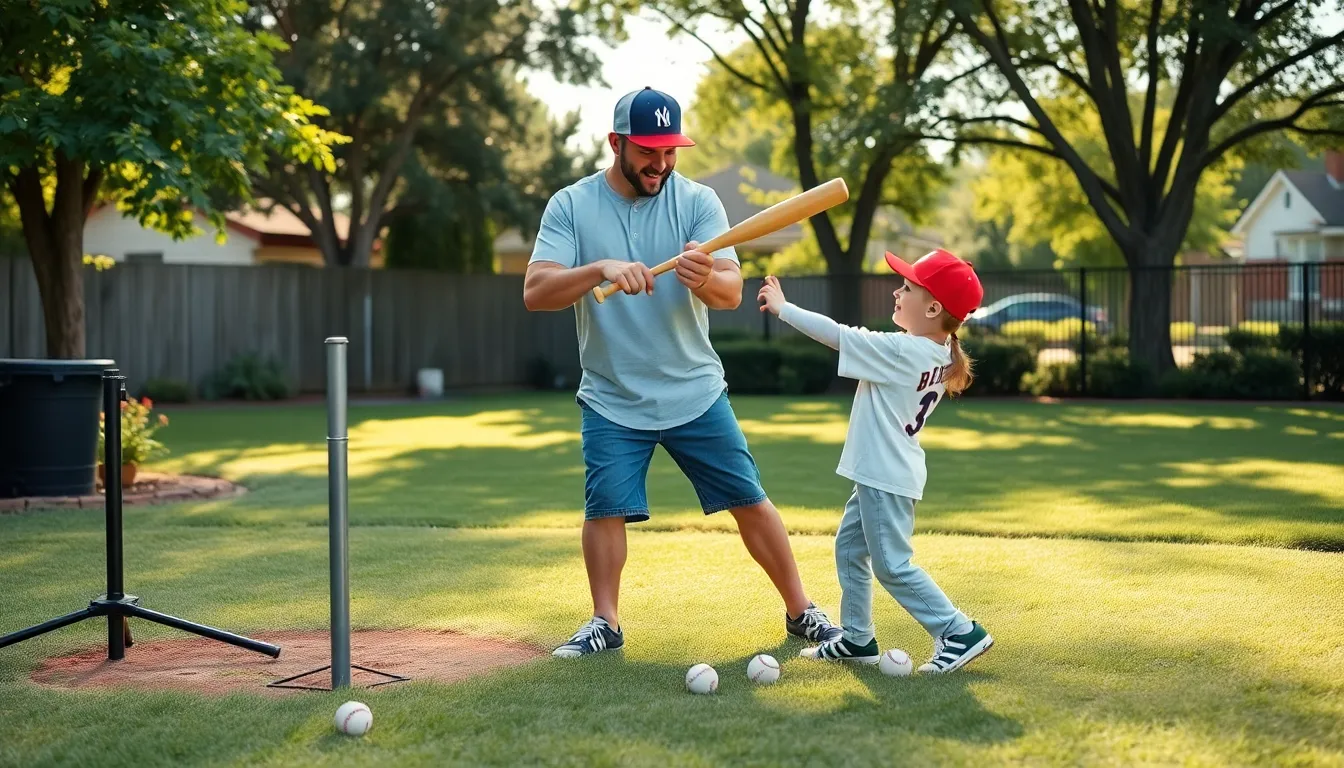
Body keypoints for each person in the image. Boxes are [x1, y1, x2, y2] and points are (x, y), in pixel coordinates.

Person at [522, 86, 843, 658]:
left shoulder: (698, 202)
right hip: (611, 394)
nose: (662, 164)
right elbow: (536, 292)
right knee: (605, 508)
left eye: (671, 151)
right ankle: (605, 622)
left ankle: (803, 611)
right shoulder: (571, 205)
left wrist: (703, 278)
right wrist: (599, 266)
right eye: (649, 151)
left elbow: (728, 292)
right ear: (616, 142)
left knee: (749, 498)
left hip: (695, 390)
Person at [755, 248, 995, 674]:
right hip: (884, 473)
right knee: (850, 548)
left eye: (907, 288)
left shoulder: (905, 350)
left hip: (885, 476)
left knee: (892, 565)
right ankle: (856, 639)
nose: (897, 292)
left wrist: (784, 308)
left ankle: (959, 632)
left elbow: (839, 335)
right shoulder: (939, 353)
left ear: (934, 307)